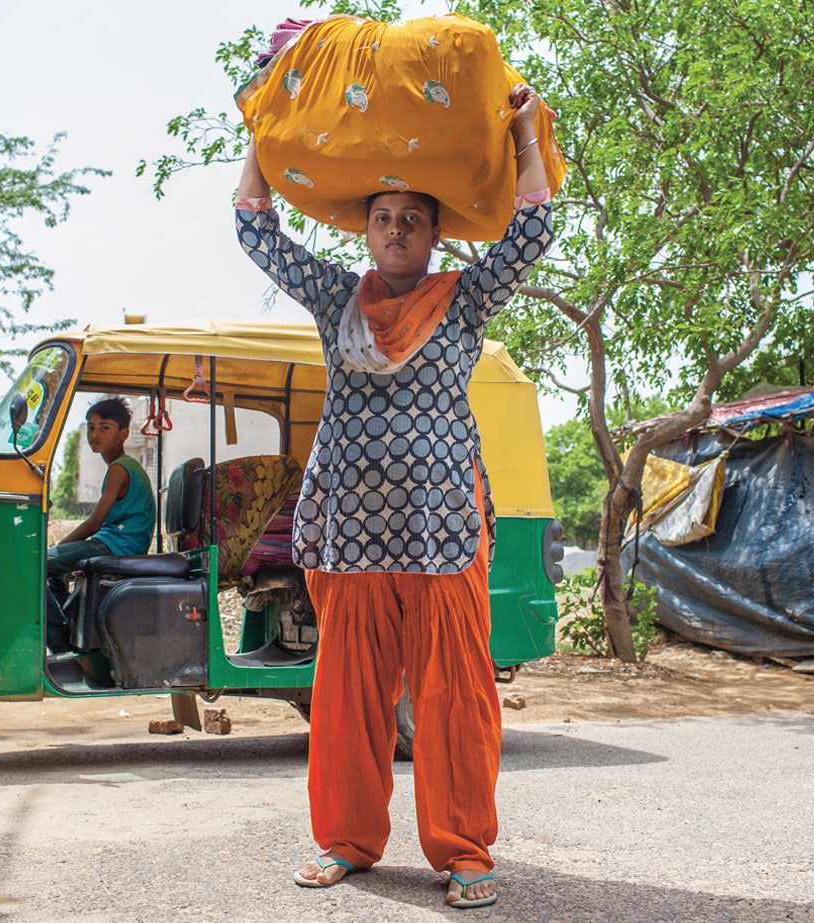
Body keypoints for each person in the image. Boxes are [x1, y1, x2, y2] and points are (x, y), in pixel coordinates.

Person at [234, 83, 554, 910]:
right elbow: (252, 227)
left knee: (453, 697)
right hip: (351, 532)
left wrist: (522, 132)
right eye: (384, 217)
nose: (398, 228)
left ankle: (463, 849)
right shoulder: (339, 297)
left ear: (436, 231)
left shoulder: (465, 299)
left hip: (442, 528)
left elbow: (532, 231)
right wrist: (261, 132)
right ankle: (347, 839)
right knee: (345, 699)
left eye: (413, 216)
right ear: (366, 230)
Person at [44, 397, 155, 653]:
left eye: (105, 427)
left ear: (124, 433)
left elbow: (95, 523)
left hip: (113, 546)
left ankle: (60, 643)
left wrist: (61, 545)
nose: (95, 434)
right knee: (56, 574)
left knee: (35, 565)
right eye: (91, 427)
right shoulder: (124, 467)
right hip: (113, 544)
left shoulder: (119, 469)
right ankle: (69, 637)